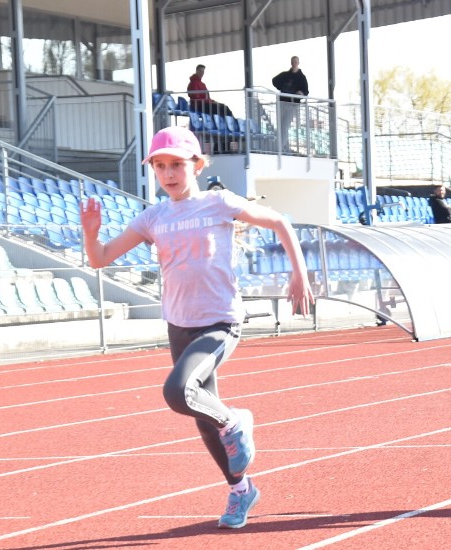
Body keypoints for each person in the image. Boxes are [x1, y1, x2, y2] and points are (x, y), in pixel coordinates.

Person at [80, 126, 313, 528]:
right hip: (179, 324)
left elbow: (280, 222)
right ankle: (241, 490)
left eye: (177, 165)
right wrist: (90, 233)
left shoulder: (219, 202)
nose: (169, 173)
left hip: (220, 321)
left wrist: (300, 276)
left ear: (198, 165)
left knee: (177, 392)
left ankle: (237, 420)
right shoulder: (153, 217)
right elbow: (100, 259)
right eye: (161, 166)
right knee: (202, 418)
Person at [271, 56, 309, 153]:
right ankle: (284, 147)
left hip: (292, 104)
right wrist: (282, 88)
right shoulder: (285, 75)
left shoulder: (302, 77)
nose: (294, 63)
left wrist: (300, 93)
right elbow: (274, 80)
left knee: (285, 125)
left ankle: (280, 147)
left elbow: (305, 91)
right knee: (281, 126)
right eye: (293, 62)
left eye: (296, 62)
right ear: (291, 63)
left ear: (298, 63)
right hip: (282, 102)